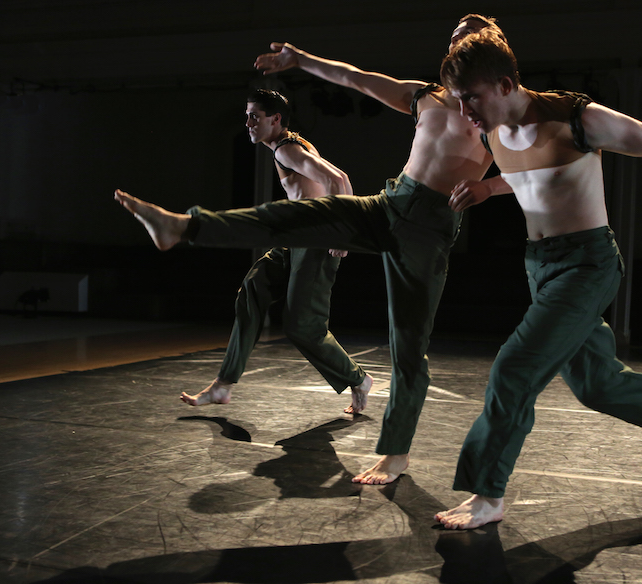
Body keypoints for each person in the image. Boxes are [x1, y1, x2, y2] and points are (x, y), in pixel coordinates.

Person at [114, 16, 502, 485]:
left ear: (491, 47)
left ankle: (395, 453)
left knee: (408, 346)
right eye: (453, 37)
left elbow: (538, 167)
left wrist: (488, 189)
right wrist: (299, 59)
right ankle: (185, 227)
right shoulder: (425, 95)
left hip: (429, 228)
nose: (456, 44)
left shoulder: (498, 111)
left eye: (468, 37)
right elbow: (355, 78)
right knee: (291, 220)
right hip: (392, 202)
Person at [433, 29, 642, 530]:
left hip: (587, 266)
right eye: (459, 101)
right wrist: (487, 189)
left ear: (503, 85)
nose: (465, 112)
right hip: (539, 265)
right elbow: (528, 172)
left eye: (471, 98)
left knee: (513, 370)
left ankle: (488, 495)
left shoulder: (578, 119)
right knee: (594, 384)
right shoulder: (491, 129)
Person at [178, 89, 373, 414]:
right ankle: (223, 385)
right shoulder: (290, 146)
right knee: (253, 290)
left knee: (302, 326)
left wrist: (344, 232)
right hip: (296, 239)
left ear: (275, 119)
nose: (248, 123)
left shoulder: (287, 149)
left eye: (255, 116)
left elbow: (339, 178)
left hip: (316, 242)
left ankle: (358, 378)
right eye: (247, 116)